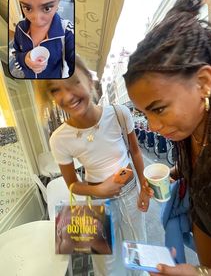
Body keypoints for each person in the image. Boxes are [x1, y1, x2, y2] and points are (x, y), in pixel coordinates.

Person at [124, 0, 211, 275]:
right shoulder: (189, 133)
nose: (151, 127)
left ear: (203, 82)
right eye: (144, 113)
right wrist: (178, 172)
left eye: (158, 109)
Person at [35, 55, 150, 276]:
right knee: (107, 267)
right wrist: (98, 190)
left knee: (139, 253)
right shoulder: (59, 139)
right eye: (55, 89)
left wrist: (144, 185)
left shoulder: (118, 113)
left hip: (131, 194)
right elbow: (72, 185)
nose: (67, 96)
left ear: (89, 80)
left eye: (73, 82)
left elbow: (135, 151)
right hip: (97, 204)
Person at [12, 0, 74, 79]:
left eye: (47, 8)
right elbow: (15, 54)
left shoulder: (67, 31)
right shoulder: (20, 27)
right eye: (27, 8)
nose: (37, 19)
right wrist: (24, 59)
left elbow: (75, 65)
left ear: (59, 1)